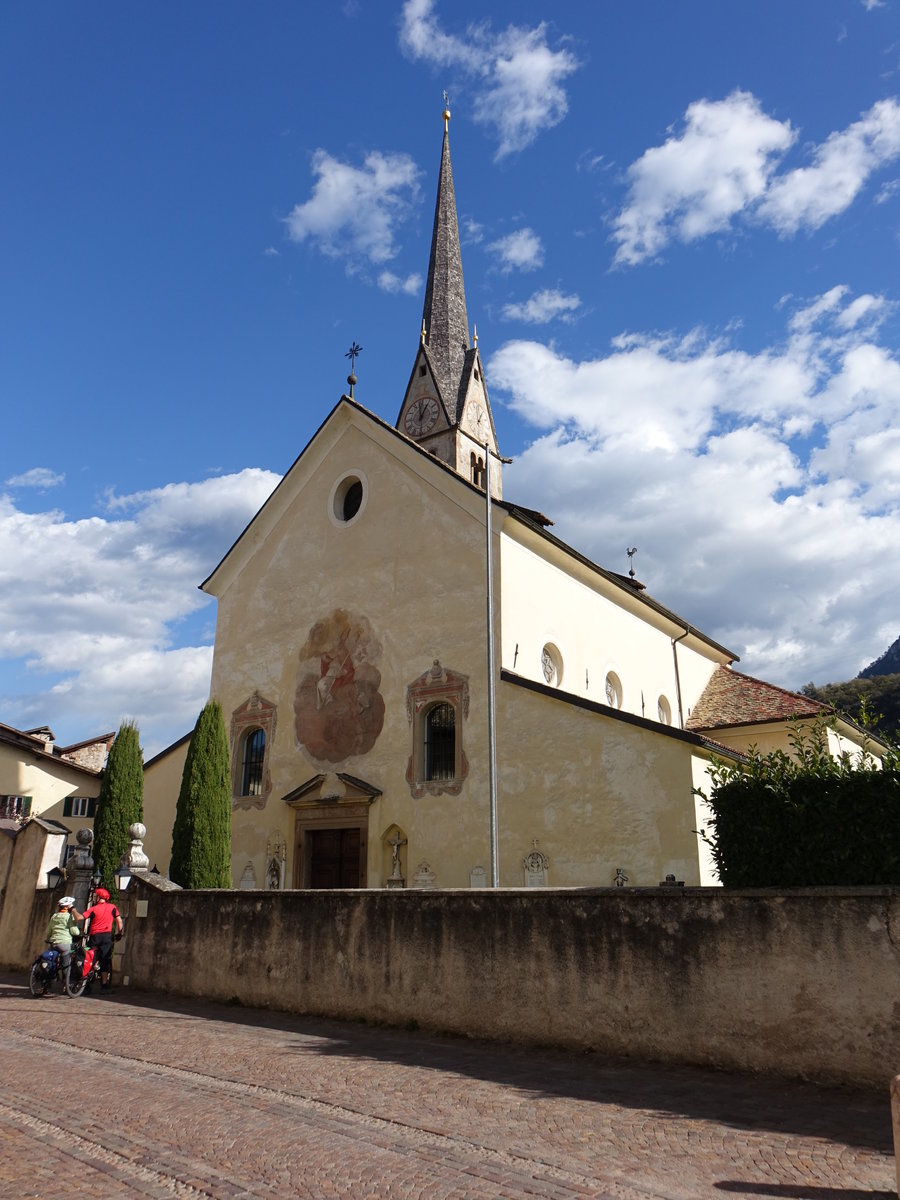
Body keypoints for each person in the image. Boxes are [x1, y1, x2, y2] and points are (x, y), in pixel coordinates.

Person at [73, 887, 123, 991]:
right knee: (105, 959)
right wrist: (119, 933)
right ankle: (104, 985)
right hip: (106, 936)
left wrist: (73, 909)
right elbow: (119, 921)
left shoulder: (94, 909)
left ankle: (85, 984)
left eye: (96, 896)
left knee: (90, 958)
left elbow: (79, 918)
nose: (94, 898)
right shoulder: (112, 907)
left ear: (99, 897)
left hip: (95, 936)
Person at [44, 896, 80, 992]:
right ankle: (65, 986)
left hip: (54, 942)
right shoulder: (69, 917)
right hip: (65, 943)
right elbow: (74, 931)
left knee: (52, 962)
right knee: (66, 964)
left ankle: (47, 982)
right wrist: (79, 933)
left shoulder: (54, 916)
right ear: (68, 907)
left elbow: (48, 931)